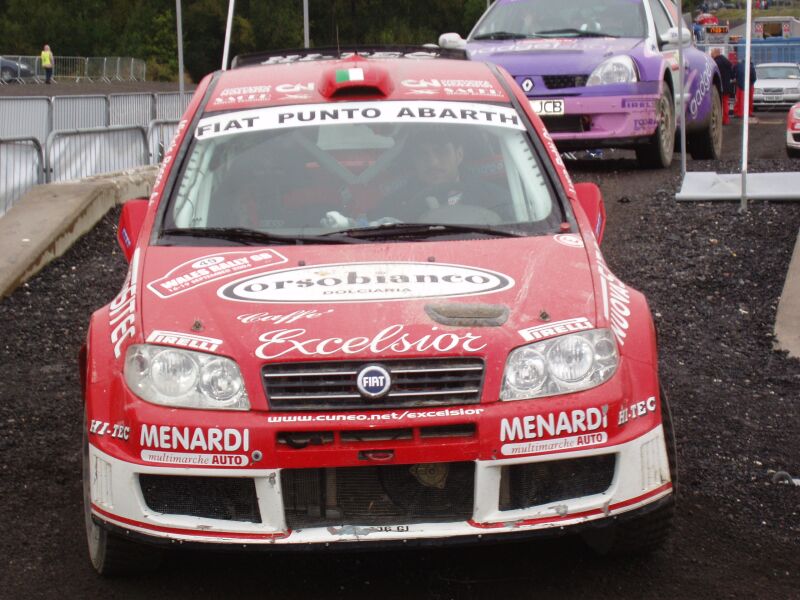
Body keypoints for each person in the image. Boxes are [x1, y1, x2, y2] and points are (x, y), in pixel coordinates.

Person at [378, 126, 506, 224]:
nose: (433, 162)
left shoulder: (496, 199)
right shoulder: (393, 205)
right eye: (423, 154)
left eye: (441, 151)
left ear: (459, 155)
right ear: (414, 161)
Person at [711, 48, 735, 125]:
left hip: (719, 86)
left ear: (716, 53)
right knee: (725, 103)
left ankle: (722, 120)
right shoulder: (727, 61)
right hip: (727, 85)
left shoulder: (715, 62)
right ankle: (726, 119)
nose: (711, 55)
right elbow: (732, 75)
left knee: (719, 103)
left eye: (712, 53)